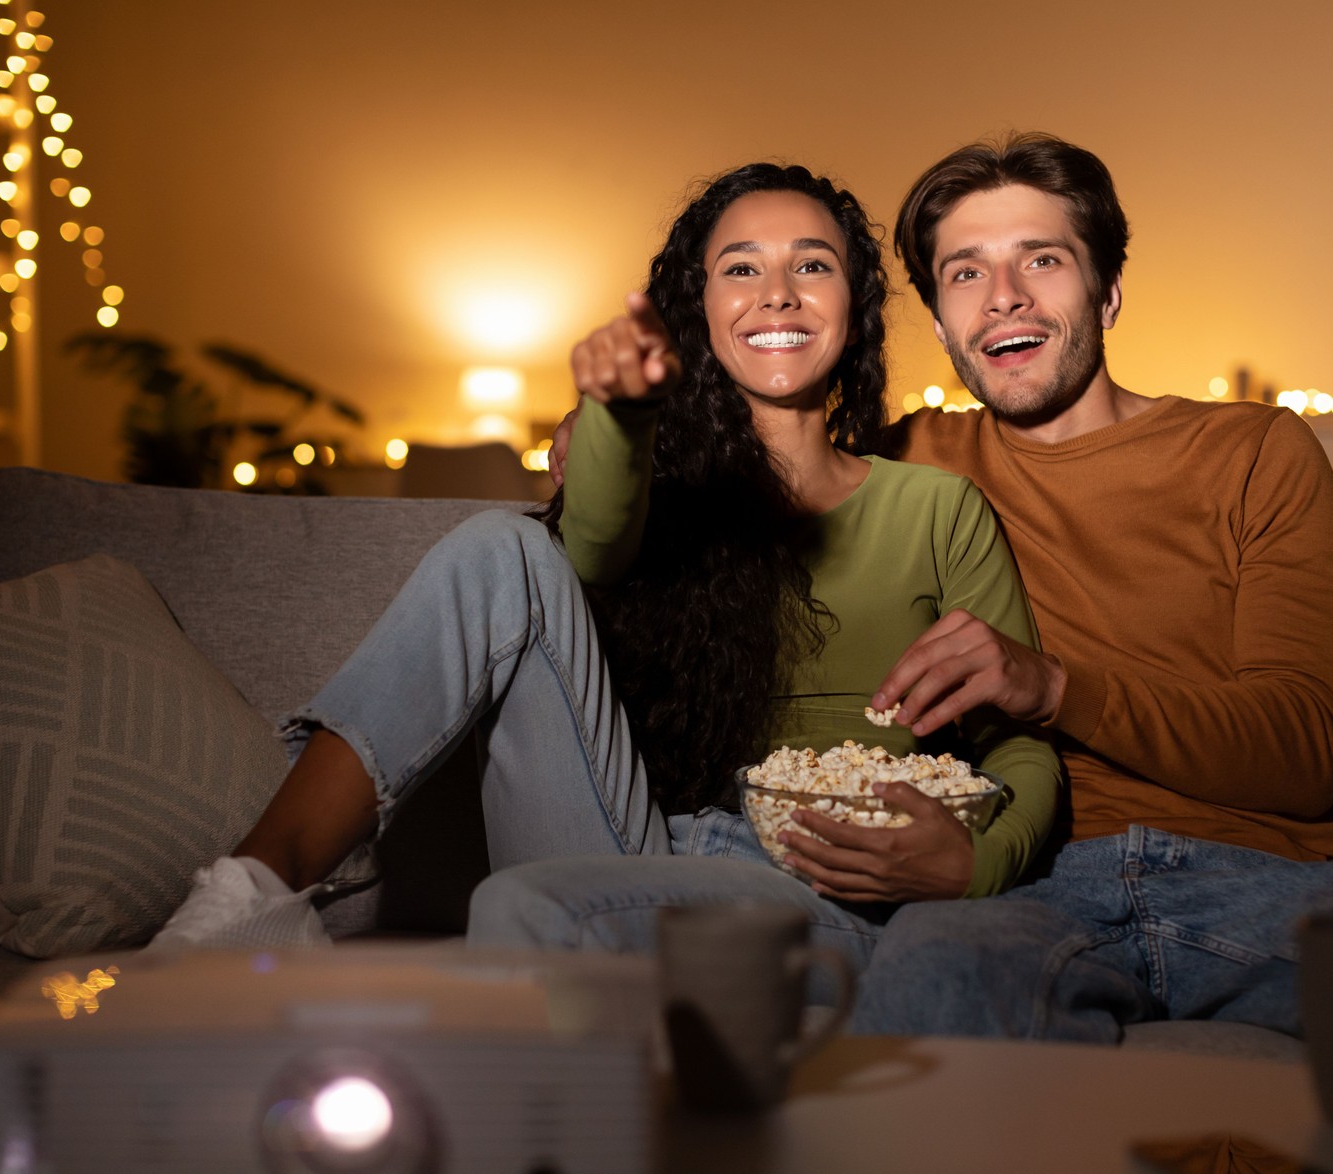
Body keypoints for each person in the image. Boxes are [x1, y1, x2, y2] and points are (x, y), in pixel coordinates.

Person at [516, 134, 1333, 1095]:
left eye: (1044, 260)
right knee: (929, 996)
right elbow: (749, 430)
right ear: (935, 318)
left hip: (1255, 876)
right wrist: (602, 425)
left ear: (1108, 291)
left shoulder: (1255, 452)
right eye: (966, 273)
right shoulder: (912, 460)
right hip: (1028, 886)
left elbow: (1309, 752)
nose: (1004, 298)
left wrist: (1053, 683)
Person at [150, 162, 1062, 960]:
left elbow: (1021, 746)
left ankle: (606, 985)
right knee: (502, 543)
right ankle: (248, 899)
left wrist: (976, 863)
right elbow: (585, 552)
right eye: (741, 268)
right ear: (699, 314)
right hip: (632, 849)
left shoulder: (938, 511)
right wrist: (621, 417)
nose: (777, 292)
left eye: (811, 266)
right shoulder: (640, 479)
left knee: (523, 914)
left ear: (854, 312)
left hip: (826, 899)